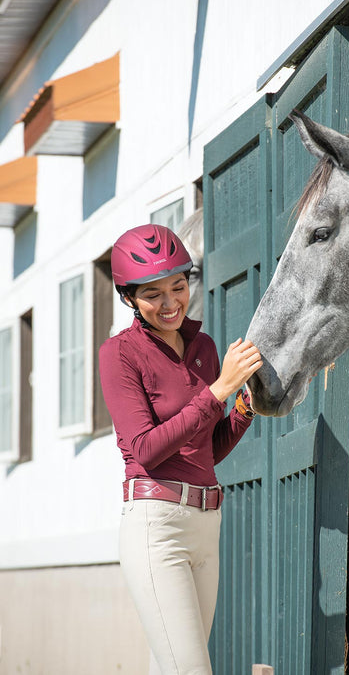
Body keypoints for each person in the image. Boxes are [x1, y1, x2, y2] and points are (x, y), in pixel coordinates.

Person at [99, 223, 262, 674]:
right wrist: (219, 389)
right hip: (157, 529)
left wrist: (244, 405)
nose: (171, 303)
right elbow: (146, 449)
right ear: (129, 298)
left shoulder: (204, 347)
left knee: (169, 667)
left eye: (178, 285)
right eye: (153, 294)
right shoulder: (119, 353)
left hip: (206, 524)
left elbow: (205, 449)